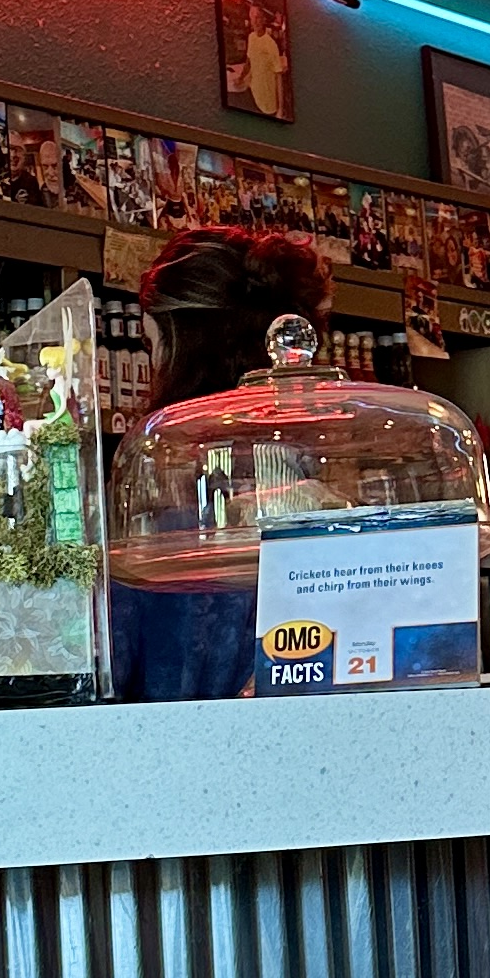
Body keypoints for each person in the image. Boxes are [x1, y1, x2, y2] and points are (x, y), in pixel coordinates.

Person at [109, 224, 332, 702]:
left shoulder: (164, 459)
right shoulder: (324, 441)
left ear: (178, 343)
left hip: (183, 741)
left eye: (153, 346)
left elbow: (119, 659)